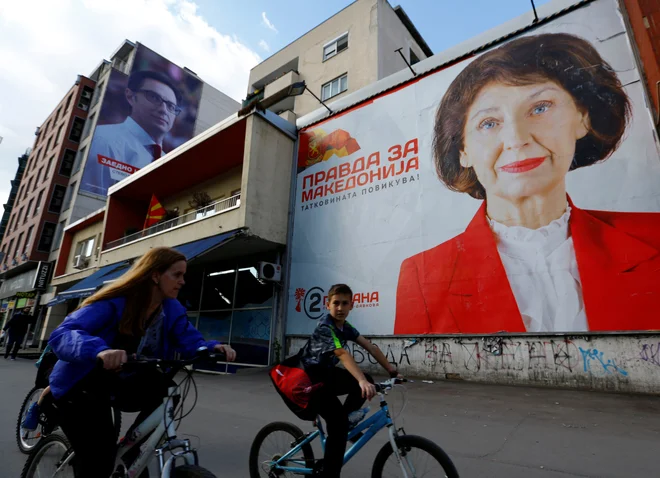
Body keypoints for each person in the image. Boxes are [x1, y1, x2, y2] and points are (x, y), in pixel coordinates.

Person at [395, 32, 660, 334]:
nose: (517, 140)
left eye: (540, 108)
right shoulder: (422, 275)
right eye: (489, 123)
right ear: (463, 151)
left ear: (582, 118)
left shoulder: (654, 237)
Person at [47, 247, 237, 477]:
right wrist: (100, 351)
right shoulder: (115, 301)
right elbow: (63, 333)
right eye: (176, 275)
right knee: (98, 460)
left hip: (121, 382)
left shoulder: (171, 308)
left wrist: (211, 348)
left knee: (167, 390)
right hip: (83, 386)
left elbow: (188, 339)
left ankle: (133, 454)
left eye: (183, 275)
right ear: (155, 275)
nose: (182, 281)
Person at [298, 284, 400, 478]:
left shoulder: (346, 327)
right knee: (338, 428)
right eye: (336, 303)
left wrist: (392, 371)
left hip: (325, 376)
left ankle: (344, 424)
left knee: (365, 382)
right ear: (327, 305)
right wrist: (361, 381)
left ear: (351, 306)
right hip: (309, 381)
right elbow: (342, 353)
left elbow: (369, 347)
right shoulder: (325, 326)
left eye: (345, 303)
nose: (340, 308)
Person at [81, 70, 183, 196]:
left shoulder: (169, 163)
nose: (163, 110)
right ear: (130, 96)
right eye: (154, 97)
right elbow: (91, 201)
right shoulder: (104, 140)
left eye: (171, 107)